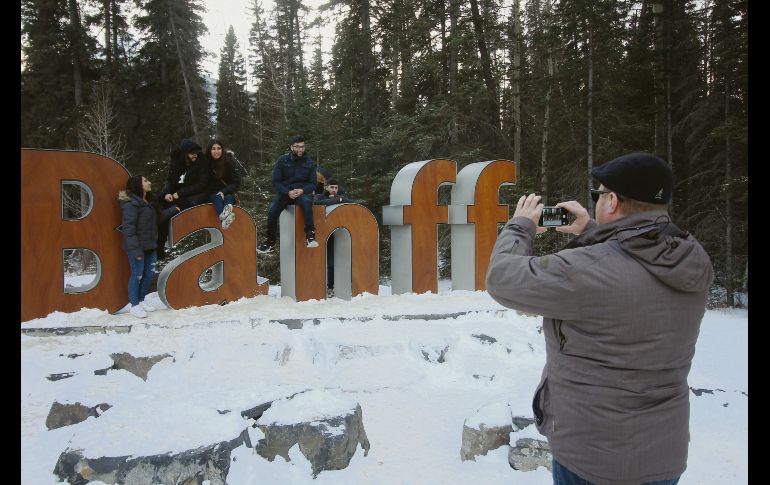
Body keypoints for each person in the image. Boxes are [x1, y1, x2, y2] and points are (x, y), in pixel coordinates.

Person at [485, 153, 714, 485]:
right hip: (664, 456)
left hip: (593, 459)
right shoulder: (689, 258)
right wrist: (594, 230)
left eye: (599, 194)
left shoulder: (589, 269)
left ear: (612, 201)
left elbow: (502, 279)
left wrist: (521, 225)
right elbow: (633, 265)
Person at [257, 135, 319, 253]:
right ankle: (270, 242)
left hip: (301, 192)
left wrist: (302, 190)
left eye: (302, 147)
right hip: (285, 192)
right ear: (291, 147)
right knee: (272, 211)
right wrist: (287, 192)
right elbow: (275, 181)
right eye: (297, 147)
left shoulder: (309, 163)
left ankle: (310, 236)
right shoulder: (282, 160)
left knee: (307, 202)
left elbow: (313, 183)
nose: (300, 149)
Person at [157, 138, 209, 256]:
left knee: (173, 208)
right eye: (191, 153)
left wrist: (179, 194)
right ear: (185, 154)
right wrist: (166, 194)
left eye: (196, 153)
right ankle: (159, 244)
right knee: (159, 205)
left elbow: (201, 184)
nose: (194, 155)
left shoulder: (202, 162)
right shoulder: (176, 162)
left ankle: (162, 243)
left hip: (195, 195)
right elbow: (170, 180)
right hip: (177, 193)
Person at [118, 175, 160, 319]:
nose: (150, 182)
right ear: (138, 185)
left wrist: (174, 209)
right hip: (137, 248)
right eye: (146, 181)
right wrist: (135, 251)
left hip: (150, 246)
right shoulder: (131, 203)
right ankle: (134, 305)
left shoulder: (147, 202)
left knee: (149, 275)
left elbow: (157, 219)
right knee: (137, 275)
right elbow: (128, 229)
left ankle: (141, 300)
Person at [313, 178, 354, 296]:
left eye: (336, 188)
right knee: (321, 261)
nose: (334, 190)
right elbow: (317, 204)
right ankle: (319, 287)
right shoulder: (320, 197)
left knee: (333, 262)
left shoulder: (341, 196)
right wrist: (336, 201)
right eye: (332, 187)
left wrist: (339, 199)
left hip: (340, 234)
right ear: (326, 187)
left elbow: (352, 202)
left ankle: (332, 286)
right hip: (323, 233)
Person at [203, 138, 242, 230]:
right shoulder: (205, 163)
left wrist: (223, 191)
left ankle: (224, 219)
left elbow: (236, 182)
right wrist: (219, 193)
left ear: (222, 149)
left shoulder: (229, 161)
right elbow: (203, 183)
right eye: (213, 149)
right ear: (209, 150)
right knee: (218, 197)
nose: (216, 151)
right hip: (211, 193)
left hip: (228, 191)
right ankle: (225, 219)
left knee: (228, 197)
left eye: (218, 148)